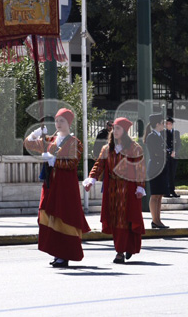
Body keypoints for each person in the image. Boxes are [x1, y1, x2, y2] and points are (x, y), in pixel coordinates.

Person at [24, 108, 91, 268]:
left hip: (66, 187)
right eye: (57, 121)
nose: (58, 124)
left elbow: (72, 162)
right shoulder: (51, 140)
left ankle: (64, 254)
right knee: (50, 215)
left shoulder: (75, 142)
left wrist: (54, 160)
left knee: (64, 217)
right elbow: (28, 144)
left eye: (62, 121)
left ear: (69, 122)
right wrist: (36, 133)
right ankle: (56, 252)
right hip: (51, 185)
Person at [83, 117, 146, 263]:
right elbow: (99, 165)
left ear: (125, 131)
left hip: (128, 189)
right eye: (114, 128)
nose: (115, 131)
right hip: (112, 189)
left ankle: (122, 251)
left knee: (127, 220)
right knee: (116, 220)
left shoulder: (135, 148)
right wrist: (91, 179)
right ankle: (121, 249)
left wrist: (140, 186)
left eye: (118, 128)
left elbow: (140, 169)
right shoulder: (107, 149)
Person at [145, 113, 169, 228]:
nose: (164, 125)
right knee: (155, 195)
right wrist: (166, 153)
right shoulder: (151, 136)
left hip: (161, 168)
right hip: (155, 168)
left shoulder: (159, 136)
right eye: (162, 123)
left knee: (159, 195)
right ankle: (155, 220)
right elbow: (156, 152)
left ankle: (158, 220)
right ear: (157, 124)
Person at [163, 117, 182, 198]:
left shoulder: (176, 133)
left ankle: (172, 190)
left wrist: (174, 151)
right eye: (167, 124)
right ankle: (166, 191)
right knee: (166, 173)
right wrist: (168, 152)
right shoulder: (163, 132)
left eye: (170, 124)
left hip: (174, 156)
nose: (168, 125)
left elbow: (179, 144)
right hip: (166, 156)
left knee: (172, 174)